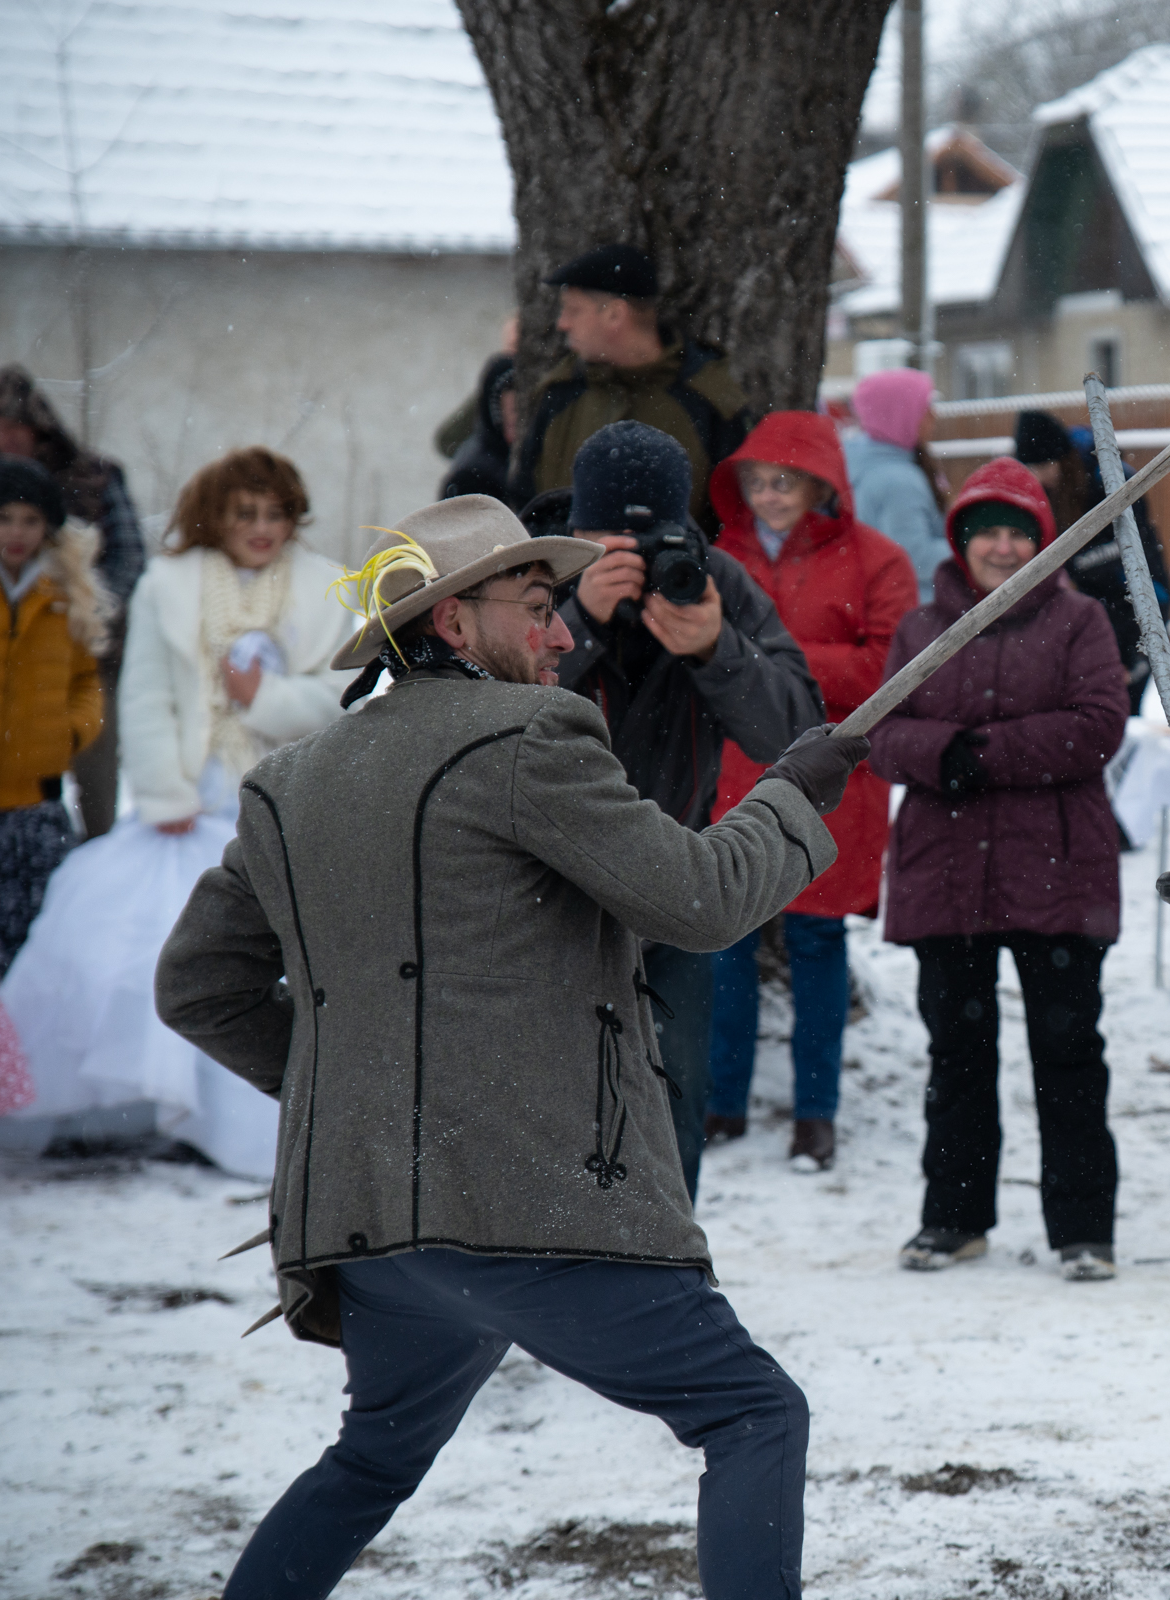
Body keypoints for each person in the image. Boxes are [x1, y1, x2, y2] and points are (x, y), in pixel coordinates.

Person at [153, 495, 872, 1599]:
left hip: (373, 1220)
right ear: (449, 624)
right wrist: (789, 795)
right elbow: (699, 896)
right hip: (526, 1203)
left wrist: (358, 1090)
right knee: (753, 1412)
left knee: (373, 1456)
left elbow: (197, 986)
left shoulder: (289, 782)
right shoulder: (531, 740)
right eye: (536, 607)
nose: (560, 635)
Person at [0, 446, 352, 1179]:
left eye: (275, 513)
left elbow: (340, 702)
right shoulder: (171, 585)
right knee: (139, 942)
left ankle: (243, 1123)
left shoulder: (325, 588)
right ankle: (137, 1110)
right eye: (244, 512)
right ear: (214, 514)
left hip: (279, 796)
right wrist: (161, 790)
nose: (260, 527)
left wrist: (267, 699)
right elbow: (147, 695)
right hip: (190, 795)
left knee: (272, 949)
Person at [866, 458, 1130, 1282]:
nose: (1005, 548)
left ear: (1043, 542)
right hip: (948, 874)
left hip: (1056, 868)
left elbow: (1099, 725)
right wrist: (945, 754)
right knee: (958, 1054)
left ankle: (1083, 1230)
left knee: (1068, 1054)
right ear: (961, 541)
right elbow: (878, 733)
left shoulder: (1080, 620)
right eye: (989, 533)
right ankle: (953, 1217)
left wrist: (981, 754)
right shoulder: (921, 626)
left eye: (1020, 533)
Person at [557, 421, 824, 1203]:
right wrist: (577, 625)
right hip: (545, 890)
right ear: (575, 531)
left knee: (672, 1101)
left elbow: (798, 736)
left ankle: (669, 1274)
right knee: (549, 1102)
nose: (637, 560)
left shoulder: (715, 582)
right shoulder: (532, 583)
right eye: (610, 539)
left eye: (654, 538)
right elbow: (477, 718)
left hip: (672, 884)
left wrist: (716, 648)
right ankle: (551, 1281)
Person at [703, 411, 917, 1172]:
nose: (768, 495)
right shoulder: (716, 556)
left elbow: (889, 667)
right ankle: (719, 1100)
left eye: (784, 480)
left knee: (818, 943)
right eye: (756, 481)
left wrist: (762, 660)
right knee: (723, 941)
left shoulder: (877, 561)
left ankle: (816, 1113)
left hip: (833, 778)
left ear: (820, 481)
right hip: (732, 772)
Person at [0, 364, 146, 837]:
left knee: (96, 764)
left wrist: (84, 612)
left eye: (17, 423)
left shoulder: (92, 476)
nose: (9, 435)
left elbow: (128, 558)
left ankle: (99, 850)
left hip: (85, 638)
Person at [0, 458, 108, 971]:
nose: (16, 533)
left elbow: (87, 678)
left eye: (30, 519)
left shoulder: (64, 595)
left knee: (41, 958)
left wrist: (70, 732)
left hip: (39, 812)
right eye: (3, 518)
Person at [510, 244, 754, 533]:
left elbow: (734, 521)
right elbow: (526, 507)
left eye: (573, 311)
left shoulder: (707, 400)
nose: (562, 324)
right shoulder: (560, 393)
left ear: (615, 315)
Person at [1012, 408, 1170, 714]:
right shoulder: (1045, 495)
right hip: (1080, 633)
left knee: (1117, 716)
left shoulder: (1111, 488)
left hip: (1134, 620)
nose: (1037, 477)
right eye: (1029, 467)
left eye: (1043, 465)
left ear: (1060, 459)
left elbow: (1143, 579)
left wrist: (1131, 661)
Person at [844, 368, 946, 589]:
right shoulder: (898, 482)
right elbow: (915, 558)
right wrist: (971, 548)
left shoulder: (863, 463)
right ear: (900, 413)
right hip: (916, 607)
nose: (933, 415)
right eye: (924, 407)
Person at [439, 353, 517, 503]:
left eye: (525, 412)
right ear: (495, 414)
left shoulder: (522, 461)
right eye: (514, 410)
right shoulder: (471, 477)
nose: (516, 420)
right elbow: (444, 441)